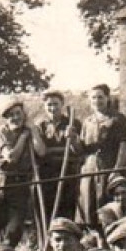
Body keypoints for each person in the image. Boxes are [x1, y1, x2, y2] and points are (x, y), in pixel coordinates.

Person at [0, 100, 42, 247]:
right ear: (6, 118)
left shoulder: (29, 130)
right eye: (11, 115)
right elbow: (11, 157)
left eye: (18, 113)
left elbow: (41, 152)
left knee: (15, 228)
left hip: (20, 183)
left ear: (24, 114)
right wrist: (23, 138)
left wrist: (34, 131)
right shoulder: (0, 132)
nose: (15, 117)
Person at [72, 84, 126, 222]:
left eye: (100, 97)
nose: (97, 101)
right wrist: (73, 139)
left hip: (108, 164)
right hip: (89, 168)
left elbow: (123, 144)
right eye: (93, 98)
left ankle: (109, 234)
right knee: (88, 201)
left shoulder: (117, 119)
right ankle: (93, 235)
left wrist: (117, 169)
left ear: (107, 98)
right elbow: (80, 150)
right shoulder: (87, 122)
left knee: (107, 200)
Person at [35, 91, 79, 220]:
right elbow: (40, 152)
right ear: (44, 106)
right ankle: (47, 238)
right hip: (46, 174)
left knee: (67, 209)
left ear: (62, 104)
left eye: (56, 104)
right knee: (47, 210)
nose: (52, 108)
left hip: (68, 172)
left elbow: (79, 151)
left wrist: (73, 138)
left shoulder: (72, 123)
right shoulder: (40, 126)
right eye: (49, 105)